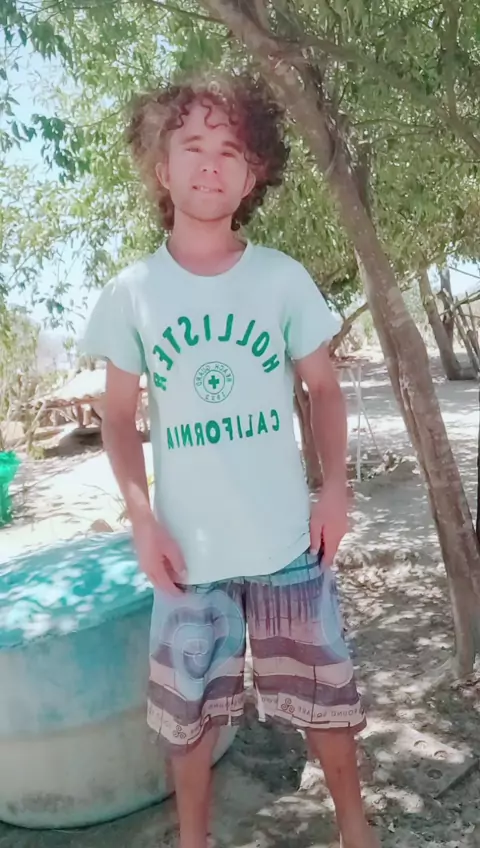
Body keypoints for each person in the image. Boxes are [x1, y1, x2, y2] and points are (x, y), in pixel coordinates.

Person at [82, 73, 378, 848]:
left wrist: (335, 489)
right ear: (162, 167)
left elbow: (322, 388)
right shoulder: (133, 292)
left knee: (328, 703)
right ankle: (195, 840)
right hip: (189, 559)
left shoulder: (281, 278)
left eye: (231, 150)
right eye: (192, 145)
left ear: (253, 177)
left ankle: (355, 831)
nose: (210, 162)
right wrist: (141, 520)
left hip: (288, 545)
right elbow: (118, 419)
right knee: (186, 722)